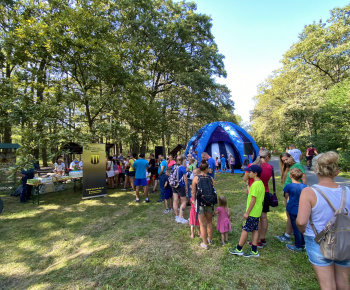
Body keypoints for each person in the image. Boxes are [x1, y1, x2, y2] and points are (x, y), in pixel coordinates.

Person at [297, 151, 350, 290]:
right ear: (337, 172)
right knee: (344, 282)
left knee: (327, 285)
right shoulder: (348, 191)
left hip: (318, 240)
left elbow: (301, 222)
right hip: (344, 240)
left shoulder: (309, 192)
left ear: (316, 170)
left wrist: (304, 232)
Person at [229, 165, 265, 257]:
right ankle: (254, 250)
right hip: (257, 212)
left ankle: (238, 249)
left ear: (255, 173)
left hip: (252, 212)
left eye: (250, 172)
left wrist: (247, 213)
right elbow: (252, 194)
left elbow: (253, 200)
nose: (248, 173)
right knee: (255, 230)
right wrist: (247, 184)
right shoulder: (260, 183)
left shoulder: (255, 185)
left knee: (245, 230)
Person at [243, 149, 273, 248]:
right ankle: (262, 238)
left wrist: (247, 182)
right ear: (267, 157)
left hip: (253, 192)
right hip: (265, 192)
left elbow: (245, 178)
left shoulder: (251, 166)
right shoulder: (270, 167)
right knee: (263, 217)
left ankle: (256, 240)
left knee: (255, 218)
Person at [276, 152, 307, 243]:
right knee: (289, 213)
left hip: (293, 193)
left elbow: (304, 179)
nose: (286, 162)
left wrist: (304, 192)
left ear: (291, 157)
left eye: (286, 159)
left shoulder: (297, 165)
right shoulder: (288, 167)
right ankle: (292, 232)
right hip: (288, 192)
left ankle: (287, 235)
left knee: (290, 214)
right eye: (283, 161)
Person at [192, 160, 215, 250]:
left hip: (200, 202)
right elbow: (213, 190)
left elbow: (193, 192)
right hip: (209, 202)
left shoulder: (196, 179)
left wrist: (194, 201)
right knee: (209, 222)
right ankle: (210, 239)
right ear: (206, 169)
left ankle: (205, 243)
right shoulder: (211, 178)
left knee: (202, 224)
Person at [283, 168, 307, 252]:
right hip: (302, 209)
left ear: (290, 176)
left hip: (292, 208)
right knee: (302, 227)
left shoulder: (288, 186)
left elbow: (286, 196)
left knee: (296, 227)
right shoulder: (304, 186)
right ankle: (303, 243)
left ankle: (297, 246)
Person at [172, 155, 188, 224]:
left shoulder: (174, 166)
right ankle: (180, 218)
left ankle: (176, 215)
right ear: (182, 160)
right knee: (184, 201)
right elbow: (185, 178)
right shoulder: (182, 168)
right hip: (180, 185)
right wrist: (186, 187)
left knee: (175, 200)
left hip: (174, 185)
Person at [189, 168, 201, 238]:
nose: (193, 175)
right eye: (193, 173)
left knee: (198, 222)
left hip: (197, 211)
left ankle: (199, 232)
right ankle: (192, 233)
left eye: (195, 173)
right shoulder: (192, 199)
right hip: (193, 212)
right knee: (192, 223)